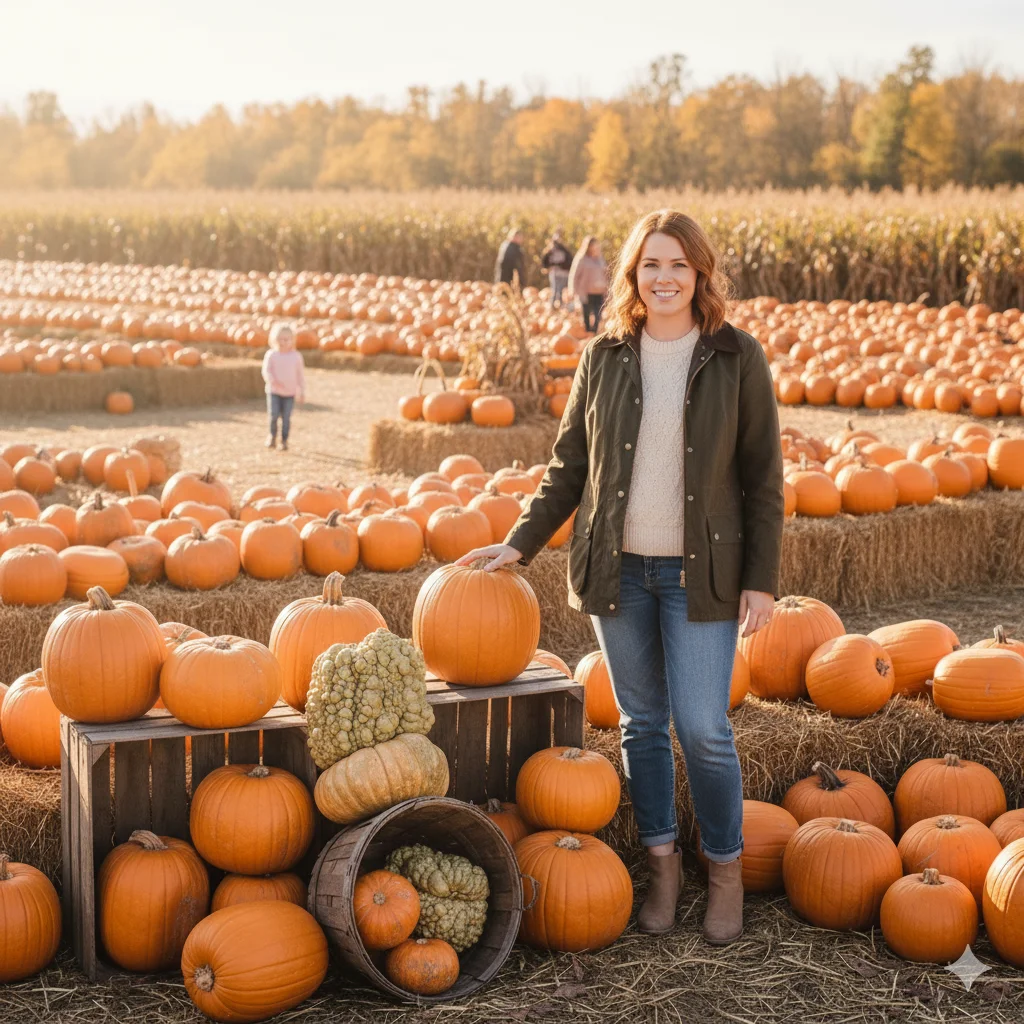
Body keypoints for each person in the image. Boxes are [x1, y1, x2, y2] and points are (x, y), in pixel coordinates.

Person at [456, 209, 784, 946]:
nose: (664, 278)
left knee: (703, 728)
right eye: (651, 265)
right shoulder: (603, 355)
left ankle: (725, 871)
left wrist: (760, 579)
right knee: (640, 724)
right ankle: (663, 867)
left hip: (702, 573)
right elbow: (568, 466)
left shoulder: (736, 355)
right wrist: (519, 543)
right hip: (620, 571)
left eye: (678, 265)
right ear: (632, 275)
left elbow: (764, 478)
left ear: (700, 273)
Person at [260, 322, 306, 451]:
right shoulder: (271, 355)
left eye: (286, 339)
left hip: (289, 393)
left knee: (286, 418)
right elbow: (266, 370)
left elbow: (300, 376)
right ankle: (272, 436)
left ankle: (284, 440)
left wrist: (302, 391)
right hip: (274, 391)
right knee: (273, 415)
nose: (283, 342)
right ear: (274, 339)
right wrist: (272, 380)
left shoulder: (296, 357)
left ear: (292, 341)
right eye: (280, 339)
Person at [568, 236, 609, 333]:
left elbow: (605, 273)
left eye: (596, 245)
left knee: (598, 313)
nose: (595, 247)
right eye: (593, 245)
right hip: (585, 291)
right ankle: (588, 331)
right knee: (586, 312)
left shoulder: (600, 259)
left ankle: (594, 331)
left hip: (599, 291)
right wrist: (572, 289)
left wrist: (607, 287)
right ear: (588, 246)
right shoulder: (581, 259)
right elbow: (574, 275)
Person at [540, 228, 573, 309]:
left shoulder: (564, 251)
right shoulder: (550, 251)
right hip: (555, 273)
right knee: (555, 289)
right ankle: (553, 306)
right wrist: (547, 267)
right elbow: (545, 261)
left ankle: (560, 305)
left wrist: (561, 266)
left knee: (560, 290)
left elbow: (569, 262)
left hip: (563, 274)